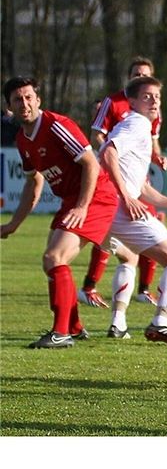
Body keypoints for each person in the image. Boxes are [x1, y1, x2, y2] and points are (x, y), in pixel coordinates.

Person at [0, 76, 119, 348]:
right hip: (71, 200)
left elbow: (91, 164)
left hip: (96, 197)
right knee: (51, 262)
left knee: (54, 257)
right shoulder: (23, 140)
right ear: (9, 107)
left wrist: (82, 206)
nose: (24, 103)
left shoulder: (56, 125)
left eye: (29, 97)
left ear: (38, 100)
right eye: (18, 99)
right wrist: (13, 224)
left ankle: (61, 332)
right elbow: (33, 183)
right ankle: (73, 328)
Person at [98, 75, 167, 345]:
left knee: (128, 257)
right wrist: (126, 197)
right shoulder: (136, 123)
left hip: (104, 210)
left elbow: (142, 188)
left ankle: (116, 323)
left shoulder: (140, 126)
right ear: (131, 102)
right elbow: (108, 153)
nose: (154, 101)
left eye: (157, 96)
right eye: (147, 97)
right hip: (117, 208)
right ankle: (161, 322)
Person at [80, 57, 167, 308]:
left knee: (152, 222)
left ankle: (143, 290)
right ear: (129, 78)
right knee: (108, 230)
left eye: (145, 74)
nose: (141, 77)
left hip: (137, 180)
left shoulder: (153, 107)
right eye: (137, 74)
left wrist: (157, 157)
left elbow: (152, 141)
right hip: (114, 178)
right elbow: (98, 135)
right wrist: (113, 155)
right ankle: (89, 286)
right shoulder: (113, 102)